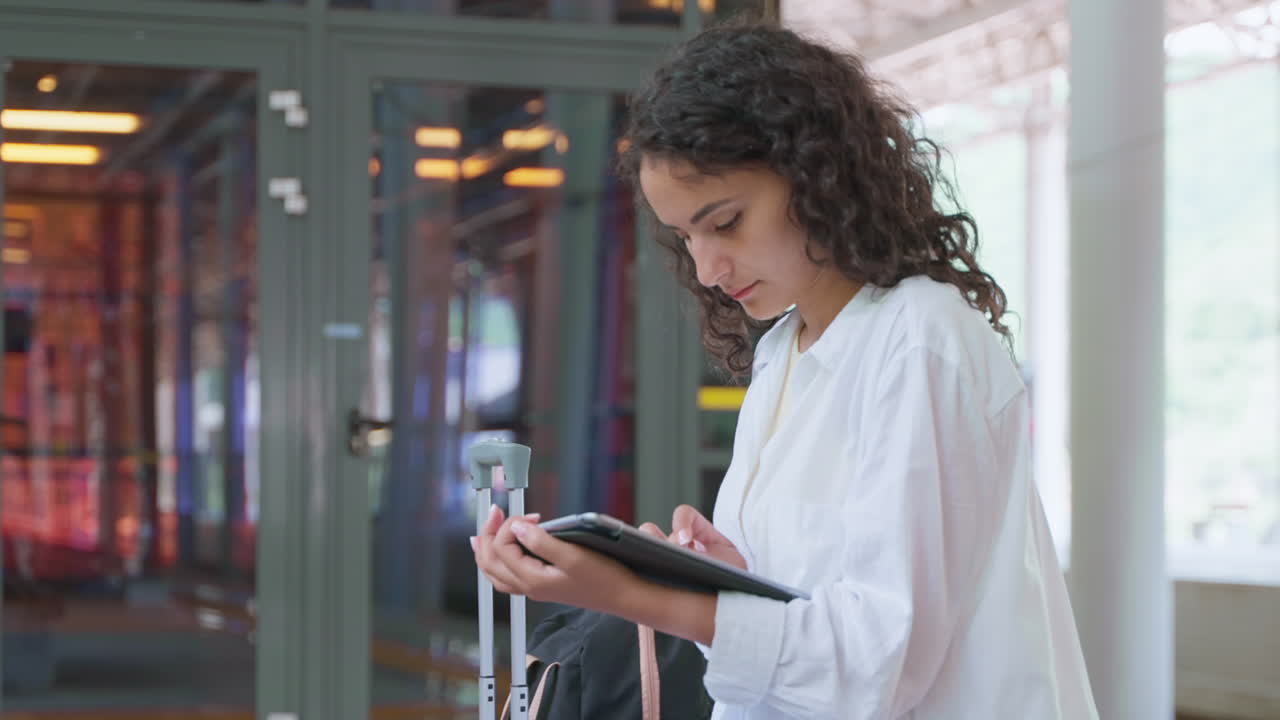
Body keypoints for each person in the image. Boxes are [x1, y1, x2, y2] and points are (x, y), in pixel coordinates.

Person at [472, 17, 1098, 720]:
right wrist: (726, 577)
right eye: (686, 236)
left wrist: (637, 596)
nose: (707, 269)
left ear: (817, 174)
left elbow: (877, 666)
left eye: (725, 222)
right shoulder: (783, 354)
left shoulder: (921, 340)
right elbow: (805, 627)